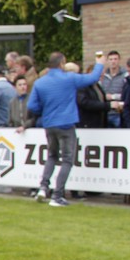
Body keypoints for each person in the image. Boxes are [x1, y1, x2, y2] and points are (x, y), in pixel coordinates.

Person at [26, 50, 103, 206]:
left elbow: (32, 105)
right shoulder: (69, 78)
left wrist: (46, 110)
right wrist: (100, 63)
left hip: (49, 124)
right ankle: (57, 195)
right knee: (67, 159)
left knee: (52, 156)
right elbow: (93, 78)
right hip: (66, 123)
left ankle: (43, 187)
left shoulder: (40, 82)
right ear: (62, 63)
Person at [98, 50, 126, 127]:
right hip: (105, 112)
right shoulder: (103, 76)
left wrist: (113, 97)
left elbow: (126, 95)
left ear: (119, 60)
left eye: (115, 59)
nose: (113, 61)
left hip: (118, 113)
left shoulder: (125, 75)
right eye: (111, 59)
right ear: (107, 61)